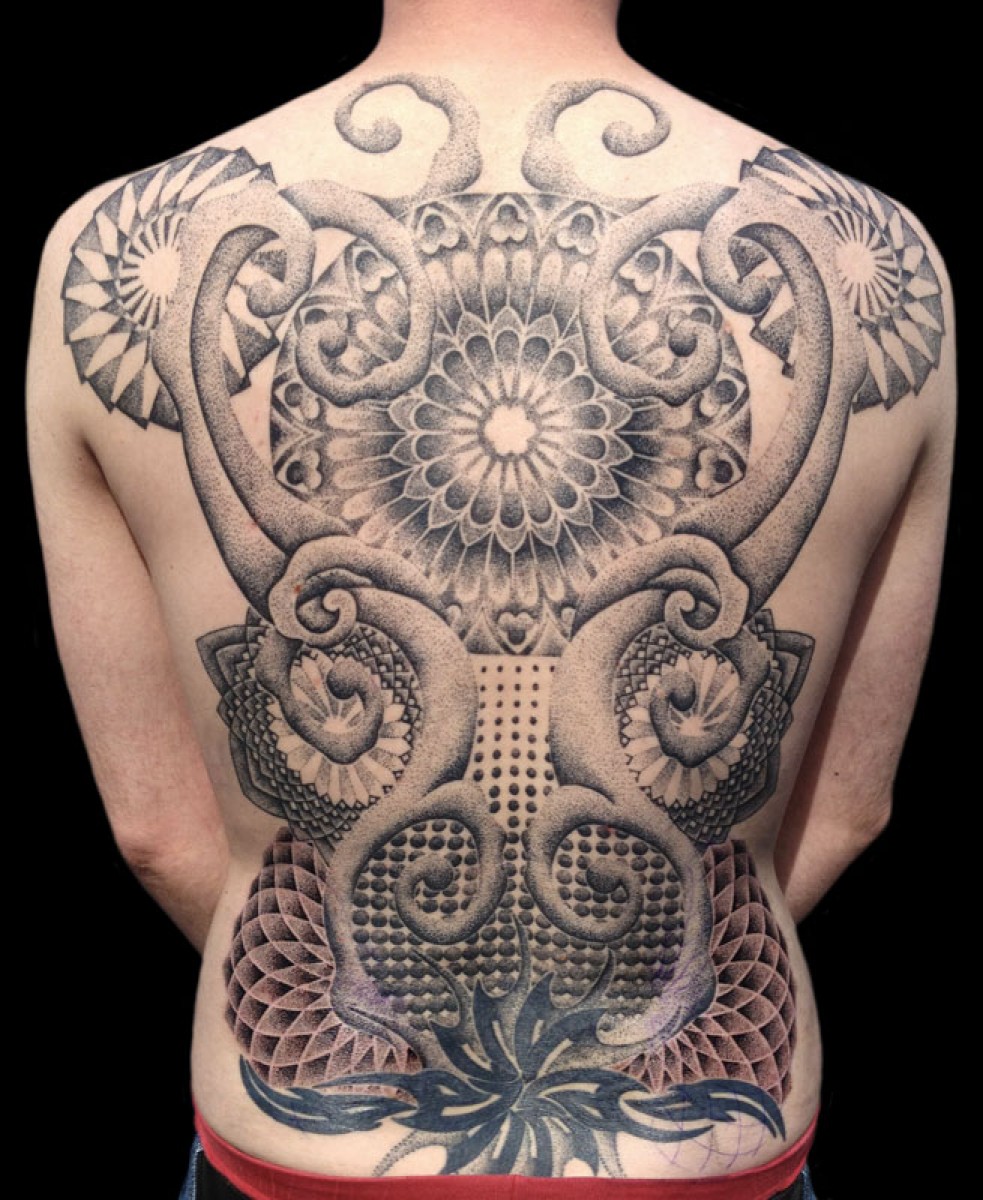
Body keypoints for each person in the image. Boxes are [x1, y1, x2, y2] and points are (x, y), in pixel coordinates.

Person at [26, 2, 955, 1196]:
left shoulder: (111, 249)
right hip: (698, 1138)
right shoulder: (877, 257)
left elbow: (157, 833)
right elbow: (846, 812)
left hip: (315, 1140)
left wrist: (402, 991)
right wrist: (610, 985)